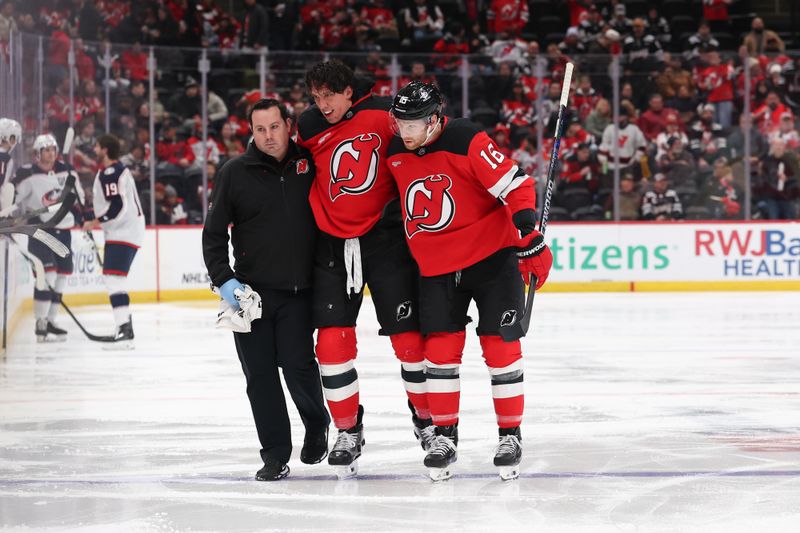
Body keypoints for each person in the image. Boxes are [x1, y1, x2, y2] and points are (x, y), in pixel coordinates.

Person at [386, 81, 553, 481]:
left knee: (500, 349)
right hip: (437, 268)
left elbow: (518, 185)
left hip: (492, 259)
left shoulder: (466, 139)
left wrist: (528, 237)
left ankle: (510, 435)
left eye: (413, 123)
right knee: (440, 353)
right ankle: (444, 436)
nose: (405, 132)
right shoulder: (394, 152)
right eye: (400, 123)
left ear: (434, 119)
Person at [297, 59, 432, 478]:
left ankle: (427, 422)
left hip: (387, 241)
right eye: (316, 97)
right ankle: (348, 431)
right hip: (332, 247)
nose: (322, 105)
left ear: (349, 92)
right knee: (332, 346)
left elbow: (427, 140)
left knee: (410, 342)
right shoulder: (308, 126)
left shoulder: (387, 115)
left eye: (329, 97)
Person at [202, 98, 330, 481]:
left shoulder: (310, 164)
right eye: (260, 129)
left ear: (288, 125)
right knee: (260, 377)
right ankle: (275, 453)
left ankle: (316, 424)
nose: (269, 136)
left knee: (298, 365)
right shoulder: (234, 173)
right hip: (252, 297)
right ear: (251, 132)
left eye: (274, 127)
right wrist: (225, 282)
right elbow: (212, 235)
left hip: (299, 292)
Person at [5, 134, 81, 342]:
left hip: (64, 230)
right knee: (46, 276)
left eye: (53, 149)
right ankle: (40, 322)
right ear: (37, 153)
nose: (50, 152)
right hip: (40, 231)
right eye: (46, 149)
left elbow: (78, 198)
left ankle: (51, 320)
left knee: (62, 276)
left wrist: (85, 215)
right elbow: (12, 197)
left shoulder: (68, 171)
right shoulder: (26, 174)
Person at [81, 134, 145, 344]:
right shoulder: (113, 171)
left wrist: (95, 222)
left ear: (105, 149)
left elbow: (118, 205)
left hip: (123, 231)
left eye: (97, 146)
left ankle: (124, 326)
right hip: (124, 231)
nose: (95, 150)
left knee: (113, 279)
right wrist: (94, 216)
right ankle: (124, 325)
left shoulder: (111, 172)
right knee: (114, 279)